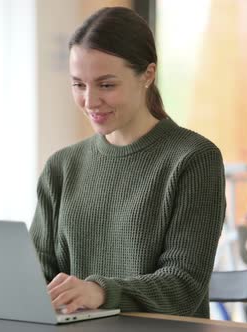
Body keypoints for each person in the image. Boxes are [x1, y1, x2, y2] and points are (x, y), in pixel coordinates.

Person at [29, 7, 226, 318]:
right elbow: (36, 279)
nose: (90, 101)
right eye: (79, 85)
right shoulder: (61, 167)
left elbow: (184, 285)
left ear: (148, 74)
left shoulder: (194, 159)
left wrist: (101, 291)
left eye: (106, 85)